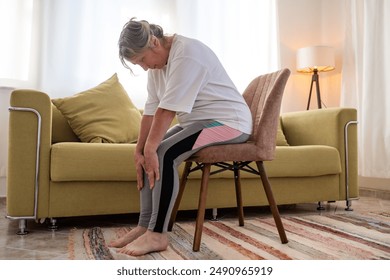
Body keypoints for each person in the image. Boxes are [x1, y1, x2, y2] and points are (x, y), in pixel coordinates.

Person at [109, 18, 252, 256]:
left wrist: (150, 148)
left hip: (231, 122)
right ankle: (145, 225)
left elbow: (167, 111)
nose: (144, 67)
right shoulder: (157, 66)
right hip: (200, 122)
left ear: (154, 42)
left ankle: (157, 234)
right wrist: (139, 149)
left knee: (163, 153)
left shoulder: (187, 54)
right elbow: (151, 110)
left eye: (143, 60)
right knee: (148, 153)